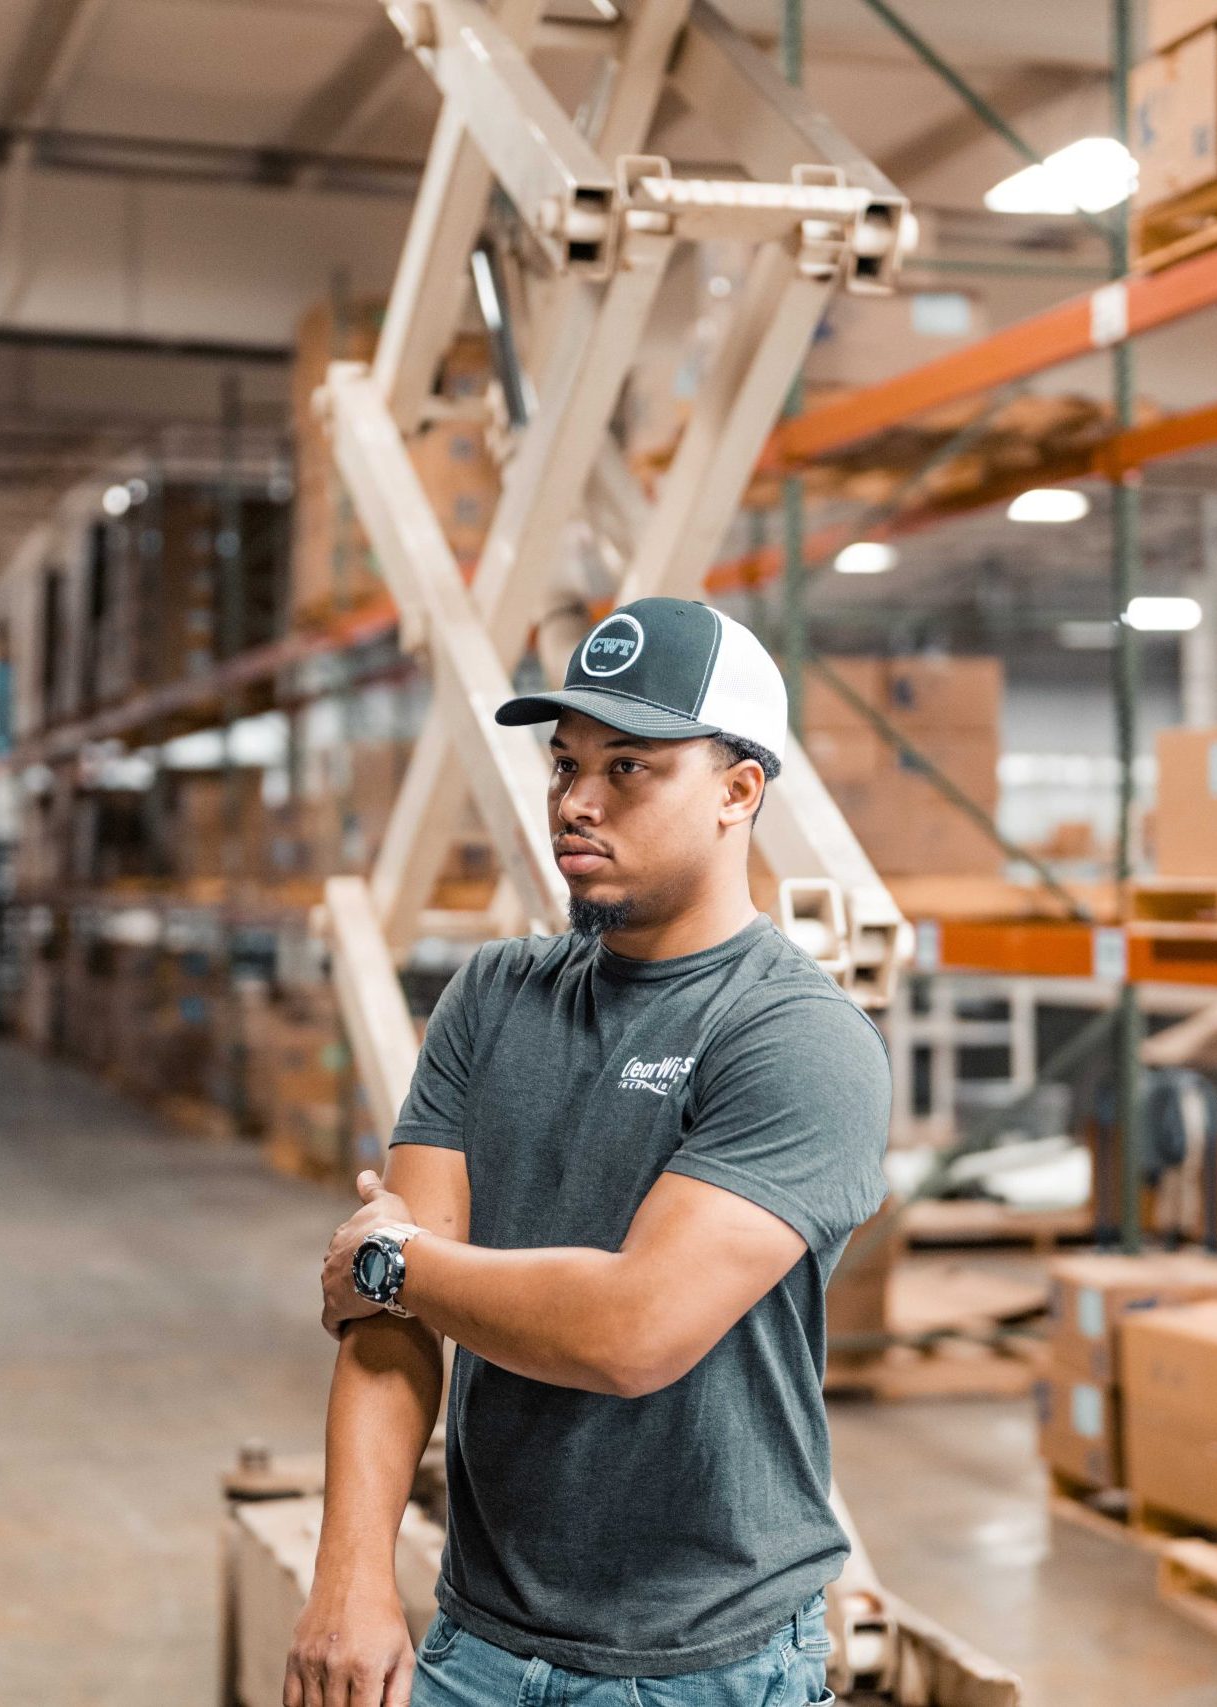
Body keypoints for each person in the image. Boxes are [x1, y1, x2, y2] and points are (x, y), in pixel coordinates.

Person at [285, 596, 892, 1707]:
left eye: (628, 769)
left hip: (707, 1663)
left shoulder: (796, 1037)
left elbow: (632, 1331)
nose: (576, 800)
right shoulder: (494, 997)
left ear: (737, 791)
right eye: (565, 764)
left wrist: (395, 1261)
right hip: (475, 1640)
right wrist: (354, 1575)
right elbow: (391, 1335)